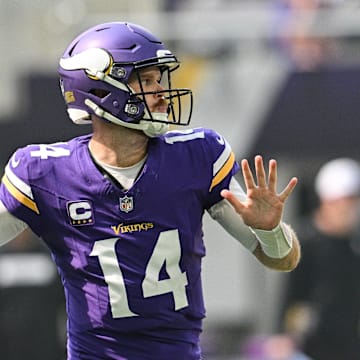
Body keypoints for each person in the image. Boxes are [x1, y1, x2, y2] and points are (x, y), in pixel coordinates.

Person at [0, 22, 300, 360]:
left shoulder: (196, 156)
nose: (159, 91)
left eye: (159, 79)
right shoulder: (45, 171)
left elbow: (282, 260)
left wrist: (269, 229)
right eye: (145, 80)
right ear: (99, 89)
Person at [282, 158, 360, 360]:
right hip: (313, 347)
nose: (349, 211)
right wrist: (284, 336)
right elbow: (291, 294)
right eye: (344, 203)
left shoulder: (354, 243)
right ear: (327, 202)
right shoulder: (305, 240)